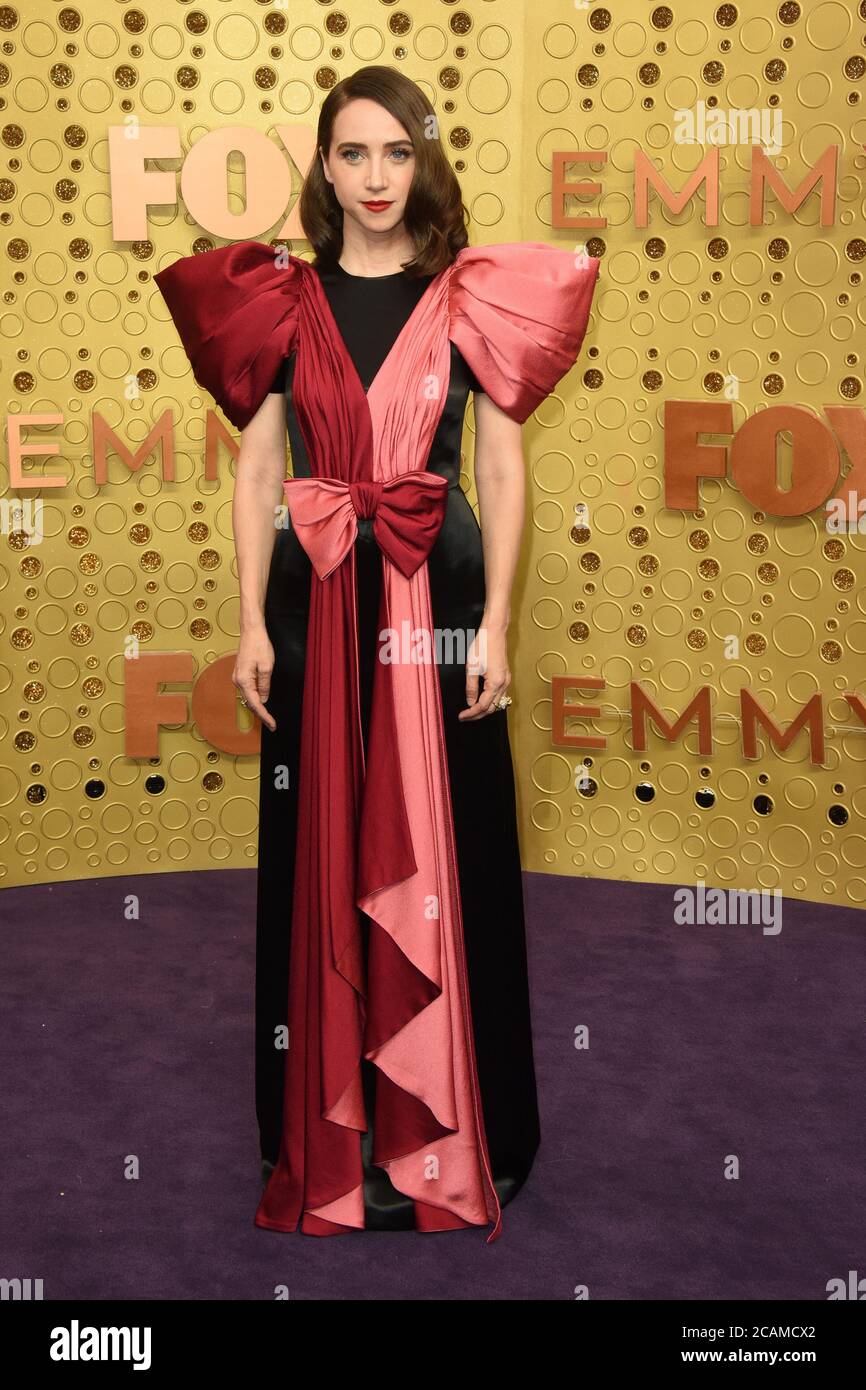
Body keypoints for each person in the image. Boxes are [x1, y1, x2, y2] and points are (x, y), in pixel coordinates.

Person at [154, 64, 599, 1243]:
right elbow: (257, 471)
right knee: (317, 845)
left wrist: (497, 620)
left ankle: (459, 1126)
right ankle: (333, 1128)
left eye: (394, 154)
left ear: (424, 161)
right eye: (352, 155)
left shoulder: (473, 295)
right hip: (316, 596)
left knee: (452, 842)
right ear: (323, 168)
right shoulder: (277, 300)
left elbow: (499, 468)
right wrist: (250, 619)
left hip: (438, 597)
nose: (374, 178)